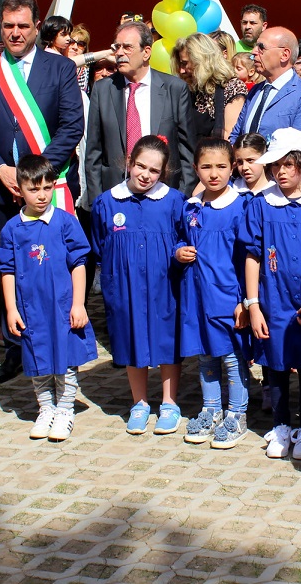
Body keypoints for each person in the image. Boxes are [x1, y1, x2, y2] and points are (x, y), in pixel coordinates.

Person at [0, 0, 84, 383]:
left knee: (55, 266)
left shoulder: (60, 68)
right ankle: (16, 348)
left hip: (49, 187)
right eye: (8, 26)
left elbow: (72, 126)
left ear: (36, 27)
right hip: (2, 188)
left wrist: (36, 177)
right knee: (12, 268)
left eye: (22, 26)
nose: (15, 33)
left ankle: (64, 342)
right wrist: (0, 169)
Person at [240, 128, 301, 461]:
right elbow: (252, 254)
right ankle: (281, 425)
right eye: (275, 166)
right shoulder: (262, 204)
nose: (280, 172)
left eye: (288, 165)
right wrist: (253, 305)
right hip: (274, 298)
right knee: (276, 362)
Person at [92, 135, 196, 435]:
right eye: (140, 166)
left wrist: (178, 253)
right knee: (130, 337)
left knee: (167, 340)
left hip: (164, 284)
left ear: (163, 172)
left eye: (154, 170)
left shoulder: (174, 202)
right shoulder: (107, 202)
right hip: (124, 286)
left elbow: (184, 238)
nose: (145, 175)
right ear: (129, 162)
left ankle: (169, 402)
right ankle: (139, 402)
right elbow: (100, 245)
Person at [0, 155, 94, 442]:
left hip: (62, 306)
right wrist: (11, 309)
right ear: (19, 190)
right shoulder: (12, 229)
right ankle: (46, 408)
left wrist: (78, 304)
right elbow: (7, 270)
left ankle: (65, 410)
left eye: (47, 188)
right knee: (37, 358)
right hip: (31, 309)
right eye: (33, 189)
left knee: (66, 359)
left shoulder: (65, 222)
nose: (41, 195)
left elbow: (79, 263)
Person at [174, 139, 253, 448]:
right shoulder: (190, 207)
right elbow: (180, 237)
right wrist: (179, 251)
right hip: (196, 297)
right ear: (196, 169)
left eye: (221, 166)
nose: (214, 173)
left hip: (228, 297)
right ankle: (210, 408)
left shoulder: (241, 206)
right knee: (205, 355)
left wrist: (245, 301)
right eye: (206, 167)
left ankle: (237, 413)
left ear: (233, 168)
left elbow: (249, 258)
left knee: (232, 356)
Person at [88, 20, 196, 197]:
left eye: (127, 47)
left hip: (163, 193)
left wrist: (182, 198)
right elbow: (93, 152)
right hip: (115, 193)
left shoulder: (174, 89)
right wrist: (97, 202)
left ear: (146, 52)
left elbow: (187, 151)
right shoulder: (103, 89)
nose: (119, 53)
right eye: (117, 47)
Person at [230, 26, 301, 142]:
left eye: (261, 47)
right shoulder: (256, 91)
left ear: (284, 55)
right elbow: (236, 134)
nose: (253, 52)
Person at [169, 32, 246, 141]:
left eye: (185, 63)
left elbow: (230, 137)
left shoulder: (232, 87)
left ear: (202, 61)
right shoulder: (191, 89)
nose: (181, 70)